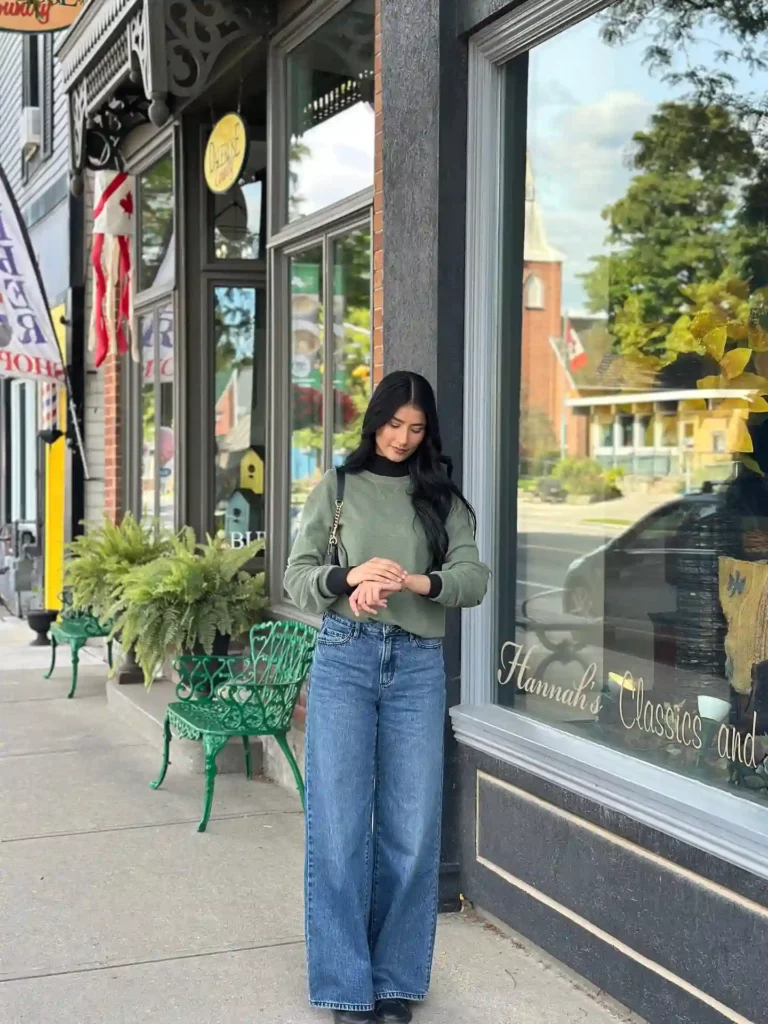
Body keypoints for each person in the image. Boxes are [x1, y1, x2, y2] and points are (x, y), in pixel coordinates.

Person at [284, 370, 490, 1024]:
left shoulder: (443, 500)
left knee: (410, 827)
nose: (402, 438)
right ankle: (347, 986)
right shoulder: (338, 487)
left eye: (416, 428)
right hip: (346, 657)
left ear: (428, 432)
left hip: (418, 667)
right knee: (340, 826)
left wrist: (415, 582)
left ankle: (396, 980)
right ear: (374, 421)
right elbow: (297, 576)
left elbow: (473, 578)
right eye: (393, 423)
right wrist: (351, 579)